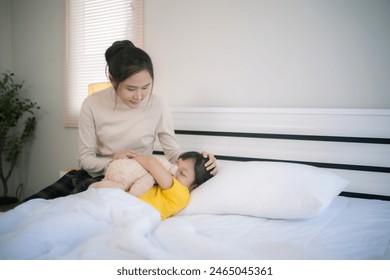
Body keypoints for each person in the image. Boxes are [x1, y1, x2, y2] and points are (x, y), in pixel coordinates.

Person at [23, 40, 217, 202]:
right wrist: (113, 163)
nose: (139, 96)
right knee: (29, 207)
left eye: (146, 87)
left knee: (71, 216)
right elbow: (85, 158)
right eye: (131, 89)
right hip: (94, 175)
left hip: (135, 181)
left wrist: (202, 162)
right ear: (112, 80)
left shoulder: (158, 106)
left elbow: (174, 154)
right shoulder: (92, 104)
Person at [93, 151, 213, 220]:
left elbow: (151, 163)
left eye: (182, 173)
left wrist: (134, 155)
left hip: (134, 215)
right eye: (176, 165)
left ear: (194, 186)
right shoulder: (157, 182)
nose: (175, 170)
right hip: (119, 203)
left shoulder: (182, 195)